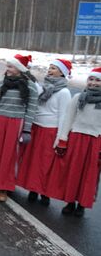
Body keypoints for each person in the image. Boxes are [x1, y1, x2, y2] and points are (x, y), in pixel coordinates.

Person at [0, 54, 39, 202]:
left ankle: (4, 187)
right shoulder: (1, 84)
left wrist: (26, 129)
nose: (8, 69)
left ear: (19, 69)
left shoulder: (30, 86)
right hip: (0, 121)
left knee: (10, 156)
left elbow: (31, 109)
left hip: (17, 124)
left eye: (11, 66)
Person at [45, 67, 101, 217]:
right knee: (73, 172)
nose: (93, 83)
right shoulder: (78, 98)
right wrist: (62, 139)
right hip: (76, 139)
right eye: (91, 79)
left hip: (95, 141)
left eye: (97, 80)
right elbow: (68, 118)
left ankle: (82, 204)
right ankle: (70, 202)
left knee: (89, 175)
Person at [16, 59, 72, 206]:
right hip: (36, 126)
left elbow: (64, 116)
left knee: (45, 163)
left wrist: (60, 137)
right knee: (32, 161)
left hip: (50, 131)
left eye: (54, 68)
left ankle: (44, 192)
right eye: (50, 68)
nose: (50, 70)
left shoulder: (64, 92)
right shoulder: (44, 86)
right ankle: (32, 189)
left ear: (62, 73)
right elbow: (34, 93)